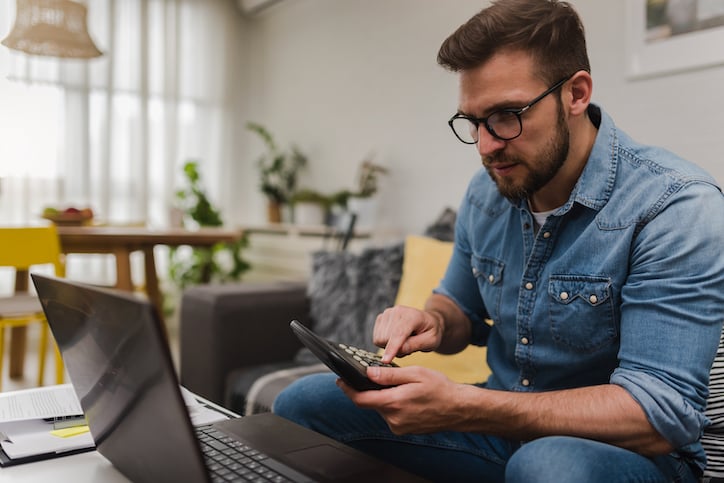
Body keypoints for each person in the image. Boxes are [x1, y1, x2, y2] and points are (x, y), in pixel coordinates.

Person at [273, 1, 724, 481]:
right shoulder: (487, 193)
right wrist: (431, 321)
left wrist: (467, 405)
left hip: (625, 455)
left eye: (507, 115)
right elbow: (458, 308)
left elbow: (659, 416)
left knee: (547, 465)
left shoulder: (675, 207)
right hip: (501, 432)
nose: (486, 146)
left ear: (576, 93)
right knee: (301, 402)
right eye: (473, 120)